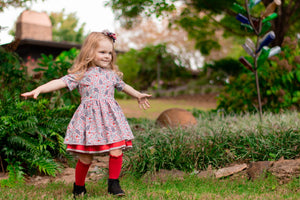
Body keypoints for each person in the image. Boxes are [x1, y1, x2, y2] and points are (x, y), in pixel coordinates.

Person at [21, 30, 151, 198]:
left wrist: (138, 95)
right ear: (90, 52)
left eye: (110, 53)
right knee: (86, 158)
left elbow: (125, 87)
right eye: (102, 52)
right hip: (89, 120)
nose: (107, 56)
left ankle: (114, 184)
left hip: (111, 119)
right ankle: (79, 187)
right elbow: (59, 82)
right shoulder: (81, 74)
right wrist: (39, 88)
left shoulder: (112, 75)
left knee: (116, 150)